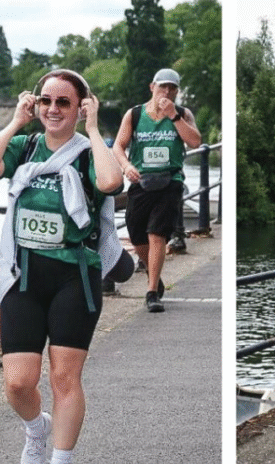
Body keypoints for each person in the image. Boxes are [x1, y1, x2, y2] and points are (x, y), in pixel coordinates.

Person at [0, 69, 123, 464]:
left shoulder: (89, 152)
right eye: (46, 101)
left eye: (63, 103)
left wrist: (94, 130)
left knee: (64, 377)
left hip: (75, 277)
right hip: (24, 276)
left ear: (80, 108)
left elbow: (111, 182)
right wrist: (17, 121)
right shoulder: (26, 147)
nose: (53, 109)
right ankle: (36, 430)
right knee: (19, 382)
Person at [114, 68, 202, 312]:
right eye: (163, 86)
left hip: (170, 180)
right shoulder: (134, 114)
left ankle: (152, 292)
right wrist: (126, 165)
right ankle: (155, 274)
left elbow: (195, 141)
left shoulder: (182, 114)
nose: (167, 92)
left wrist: (174, 117)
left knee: (157, 233)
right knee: (136, 234)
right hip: (141, 181)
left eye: (172, 88)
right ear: (152, 87)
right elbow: (119, 146)